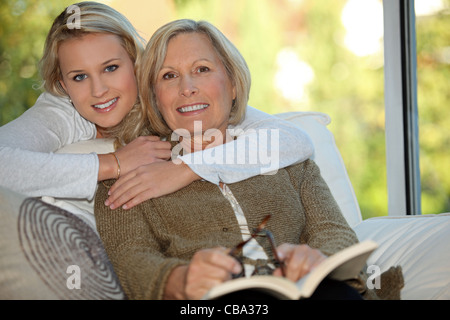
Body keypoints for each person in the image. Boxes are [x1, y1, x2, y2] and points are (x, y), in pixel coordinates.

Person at [94, 19, 403, 300]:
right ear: (155, 98)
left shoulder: (284, 154)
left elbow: (334, 231)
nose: (187, 89)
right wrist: (183, 279)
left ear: (233, 85)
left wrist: (316, 258)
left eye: (202, 69)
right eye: (169, 76)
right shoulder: (127, 178)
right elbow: (131, 262)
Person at [0, 2, 313, 214]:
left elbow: (292, 140)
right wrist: (113, 163)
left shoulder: (173, 98)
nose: (98, 90)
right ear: (63, 84)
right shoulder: (62, 109)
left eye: (111, 68)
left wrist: (185, 169)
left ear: (136, 61)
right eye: (79, 76)